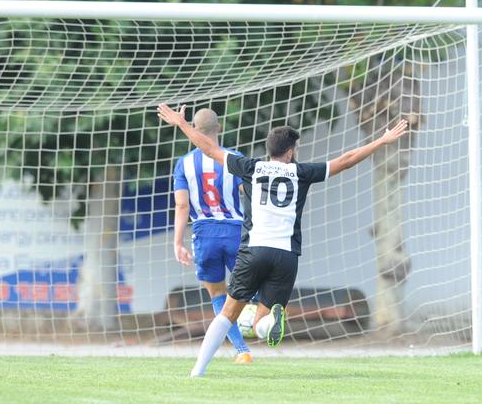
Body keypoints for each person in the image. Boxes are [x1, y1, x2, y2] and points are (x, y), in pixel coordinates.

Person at [156, 103, 408, 377]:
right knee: (262, 321)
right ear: (290, 152)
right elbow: (346, 159)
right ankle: (268, 322)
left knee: (227, 313)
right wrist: (382, 140)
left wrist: (182, 124)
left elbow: (208, 148)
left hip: (254, 252)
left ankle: (198, 370)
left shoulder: (251, 167)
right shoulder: (301, 173)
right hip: (286, 257)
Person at [171, 108, 254, 364]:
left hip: (204, 234)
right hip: (234, 231)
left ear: (194, 131)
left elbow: (182, 206)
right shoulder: (234, 157)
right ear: (219, 129)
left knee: (218, 294)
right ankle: (258, 317)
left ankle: (242, 351)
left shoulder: (184, 163)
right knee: (247, 288)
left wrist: (178, 242)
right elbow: (249, 193)